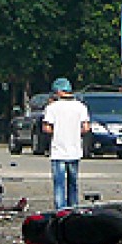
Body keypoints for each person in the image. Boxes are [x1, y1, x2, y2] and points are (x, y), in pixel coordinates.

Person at [42, 77, 90, 210]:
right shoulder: (81, 107)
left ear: (58, 92)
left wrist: (57, 131)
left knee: (59, 184)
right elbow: (86, 128)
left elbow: (46, 128)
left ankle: (60, 210)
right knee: (73, 183)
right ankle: (73, 208)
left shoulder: (52, 107)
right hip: (74, 150)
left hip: (58, 151)